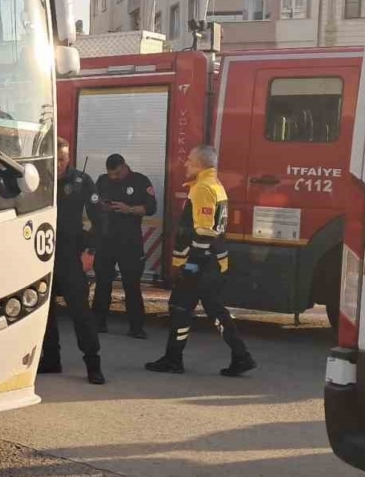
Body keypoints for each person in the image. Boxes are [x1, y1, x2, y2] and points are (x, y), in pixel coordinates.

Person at [146, 145, 258, 377]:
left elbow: (205, 233)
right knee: (212, 310)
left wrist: (191, 265)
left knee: (180, 308)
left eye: (189, 160)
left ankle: (174, 359)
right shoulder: (214, 185)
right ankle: (241, 356)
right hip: (212, 263)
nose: (186, 163)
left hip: (201, 264)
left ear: (200, 164)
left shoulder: (203, 188)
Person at [40, 138, 106, 384]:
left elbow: (100, 219)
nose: (58, 164)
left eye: (63, 159)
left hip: (70, 255)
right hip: (40, 254)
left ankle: (93, 365)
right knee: (44, 311)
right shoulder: (38, 180)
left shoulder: (81, 181)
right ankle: (51, 360)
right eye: (55, 159)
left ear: (69, 158)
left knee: (80, 311)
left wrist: (90, 250)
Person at [93, 153, 157, 339]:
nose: (113, 177)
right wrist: (102, 207)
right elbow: (94, 201)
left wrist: (128, 209)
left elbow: (151, 208)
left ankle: (136, 328)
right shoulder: (102, 181)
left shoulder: (140, 181)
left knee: (132, 285)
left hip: (130, 242)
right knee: (102, 283)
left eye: (117, 174)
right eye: (110, 174)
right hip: (106, 241)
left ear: (124, 167)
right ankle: (98, 323)